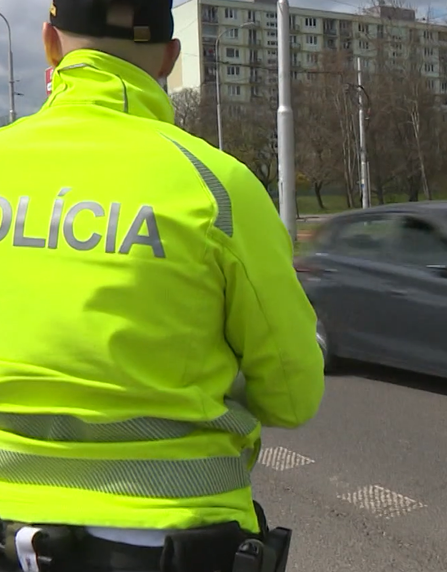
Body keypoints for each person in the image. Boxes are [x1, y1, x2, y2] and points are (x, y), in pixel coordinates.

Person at [0, 1, 324, 570]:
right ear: (170, 60)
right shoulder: (221, 190)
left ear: (50, 44)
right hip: (169, 538)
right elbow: (294, 397)